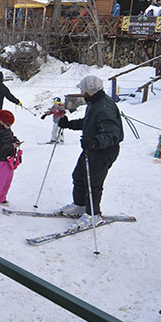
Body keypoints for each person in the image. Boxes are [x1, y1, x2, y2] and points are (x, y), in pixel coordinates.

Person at [56, 76, 124, 230]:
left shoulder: (105, 107)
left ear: (90, 91)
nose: (81, 92)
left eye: (83, 90)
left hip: (104, 150)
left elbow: (112, 134)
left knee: (93, 183)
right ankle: (80, 205)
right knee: (78, 176)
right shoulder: (94, 103)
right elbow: (89, 123)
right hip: (92, 148)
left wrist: (95, 142)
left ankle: (93, 215)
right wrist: (69, 124)